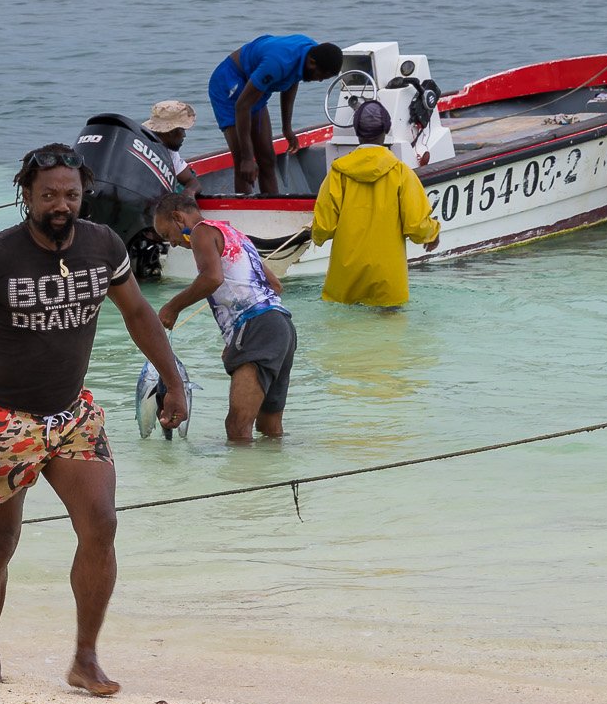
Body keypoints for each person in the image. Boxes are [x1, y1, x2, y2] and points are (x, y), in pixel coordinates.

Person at [0, 143, 188, 697]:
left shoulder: (103, 245)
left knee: (102, 525)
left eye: (71, 193)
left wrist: (175, 381)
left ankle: (85, 658)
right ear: (27, 196)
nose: (61, 205)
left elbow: (138, 313)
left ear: (83, 193)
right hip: (3, 418)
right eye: (49, 196)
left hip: (72, 414)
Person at [150, 187, 295, 445]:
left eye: (166, 234)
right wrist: (236, 339)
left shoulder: (200, 232)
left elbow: (212, 278)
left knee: (237, 427)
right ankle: (277, 479)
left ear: (178, 218)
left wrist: (172, 307)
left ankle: (244, 483)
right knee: (269, 427)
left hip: (259, 327)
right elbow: (275, 286)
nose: (171, 242)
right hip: (282, 326)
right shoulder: (235, 234)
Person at [310, 97, 442, 307]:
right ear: (387, 129)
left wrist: (315, 236)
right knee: (389, 336)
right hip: (388, 281)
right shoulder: (401, 173)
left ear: (356, 130)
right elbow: (417, 226)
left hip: (345, 279)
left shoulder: (338, 172)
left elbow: (323, 227)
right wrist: (432, 233)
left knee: (344, 332)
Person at [209, 35, 343, 197]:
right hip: (229, 81)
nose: (320, 81)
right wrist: (247, 157)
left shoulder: (309, 53)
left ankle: (273, 207)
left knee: (267, 159)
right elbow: (242, 106)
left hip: (255, 83)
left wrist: (287, 128)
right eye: (321, 76)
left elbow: (292, 81)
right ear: (312, 63)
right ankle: (245, 211)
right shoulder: (277, 64)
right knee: (243, 164)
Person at [141, 99, 201, 188]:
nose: (184, 135)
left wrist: (189, 193)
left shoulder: (170, 151)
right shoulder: (141, 145)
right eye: (182, 130)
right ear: (171, 132)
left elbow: (192, 182)